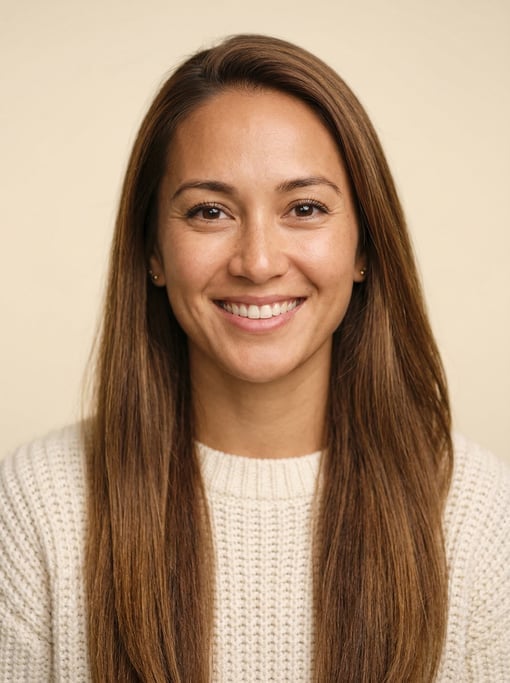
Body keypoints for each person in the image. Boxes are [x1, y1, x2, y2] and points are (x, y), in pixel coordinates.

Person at [0, 34, 509, 683]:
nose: (259, 261)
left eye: (304, 208)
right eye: (210, 211)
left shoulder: (478, 513)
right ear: (153, 252)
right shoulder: (39, 506)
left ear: (363, 247)